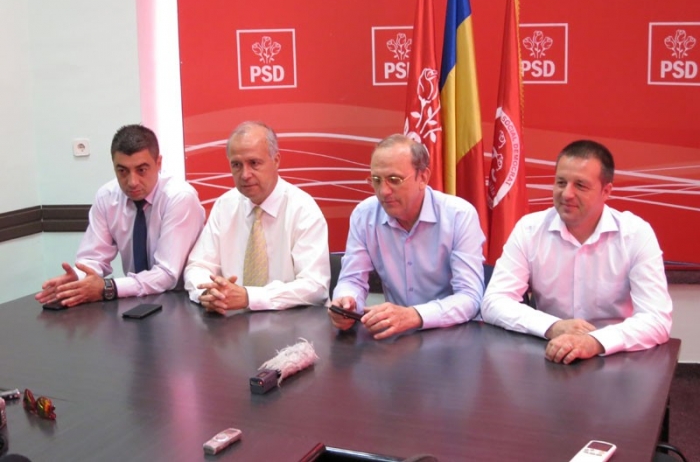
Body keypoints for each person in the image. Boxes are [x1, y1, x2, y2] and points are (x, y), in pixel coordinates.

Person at [481, 140, 672, 364]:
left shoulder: (635, 234)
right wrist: (554, 326)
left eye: (580, 186)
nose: (567, 194)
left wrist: (593, 341)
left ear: (606, 191)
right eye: (561, 182)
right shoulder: (530, 229)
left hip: (615, 358)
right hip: (549, 353)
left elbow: (656, 319)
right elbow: (494, 302)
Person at [328, 134, 485, 340]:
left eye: (394, 180)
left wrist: (415, 315)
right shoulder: (364, 215)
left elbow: (470, 297)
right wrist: (347, 302)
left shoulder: (459, 215)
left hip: (453, 336)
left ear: (423, 177)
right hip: (397, 337)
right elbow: (352, 279)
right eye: (376, 180)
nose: (383, 191)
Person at [35, 124, 205, 306]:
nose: (132, 182)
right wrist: (78, 279)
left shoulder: (179, 197)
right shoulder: (107, 196)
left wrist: (108, 288)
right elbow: (94, 257)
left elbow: (167, 274)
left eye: (141, 170)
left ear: (158, 163)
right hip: (135, 300)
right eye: (122, 171)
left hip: (183, 301)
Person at [184, 121, 330, 313]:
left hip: (290, 324)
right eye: (236, 165)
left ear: (276, 160)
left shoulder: (303, 209)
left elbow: (315, 286)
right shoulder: (224, 205)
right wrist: (208, 293)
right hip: (231, 323)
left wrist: (249, 297)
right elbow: (198, 266)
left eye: (254, 163)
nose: (245, 174)